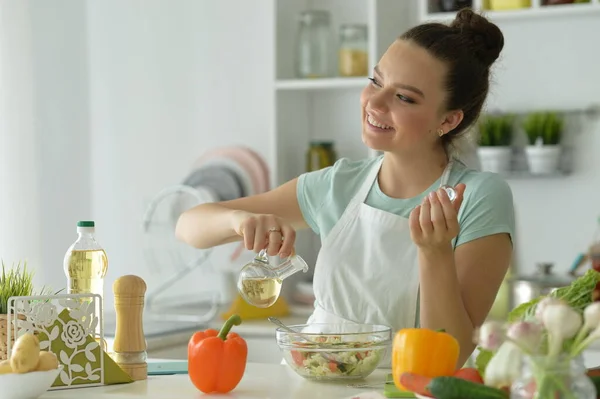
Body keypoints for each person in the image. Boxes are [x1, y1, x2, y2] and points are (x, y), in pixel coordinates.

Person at [176, 8, 515, 368]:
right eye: (375, 81)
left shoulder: (477, 197)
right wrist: (238, 222)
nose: (375, 102)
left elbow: (451, 355)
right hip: (312, 386)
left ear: (448, 120)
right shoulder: (340, 184)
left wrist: (434, 253)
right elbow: (188, 226)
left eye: (405, 98)